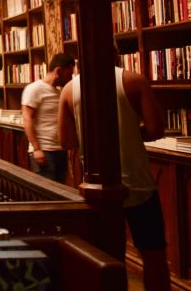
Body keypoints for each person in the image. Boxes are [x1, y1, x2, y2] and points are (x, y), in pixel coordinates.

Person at [58, 54, 169, 291]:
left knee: (106, 257)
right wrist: (130, 134)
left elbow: (67, 141)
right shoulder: (134, 80)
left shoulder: (68, 90)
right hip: (138, 184)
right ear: (117, 55)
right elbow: (156, 129)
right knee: (153, 255)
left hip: (93, 188)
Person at [22, 53, 75, 182]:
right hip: (44, 151)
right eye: (68, 74)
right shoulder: (34, 89)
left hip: (60, 150)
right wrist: (37, 149)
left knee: (60, 191)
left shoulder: (60, 92)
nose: (70, 78)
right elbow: (27, 119)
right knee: (47, 194)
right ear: (58, 71)